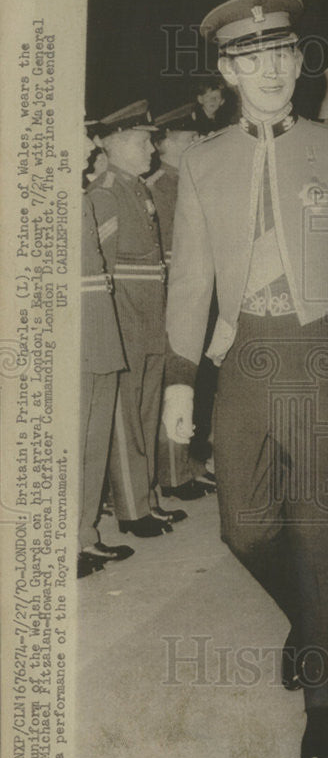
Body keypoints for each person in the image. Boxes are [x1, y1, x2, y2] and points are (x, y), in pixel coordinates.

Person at [162, 0, 328, 758]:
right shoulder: (202, 162)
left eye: (281, 54)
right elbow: (191, 280)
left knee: (320, 527)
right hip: (245, 363)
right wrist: (175, 379)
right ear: (228, 71)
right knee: (245, 528)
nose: (268, 68)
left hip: (322, 353)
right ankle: (309, 612)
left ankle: (327, 694)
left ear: (298, 63)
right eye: (250, 58)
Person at [88, 101, 185, 538]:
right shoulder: (106, 193)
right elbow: (103, 270)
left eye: (149, 140)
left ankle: (146, 498)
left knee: (147, 413)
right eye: (142, 140)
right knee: (126, 419)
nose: (151, 148)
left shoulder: (138, 189)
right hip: (126, 320)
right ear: (114, 144)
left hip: (150, 319)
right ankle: (131, 510)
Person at [147, 104, 216, 501]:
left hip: (193, 297)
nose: (197, 144)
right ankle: (174, 473)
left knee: (196, 385)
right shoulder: (160, 186)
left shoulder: (184, 181)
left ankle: (187, 464)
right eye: (190, 139)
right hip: (173, 300)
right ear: (165, 143)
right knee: (175, 383)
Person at [78, 130, 135, 577]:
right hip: (79, 333)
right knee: (74, 442)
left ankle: (84, 535)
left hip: (98, 329)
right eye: (79, 133)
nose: (88, 142)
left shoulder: (77, 195)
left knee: (92, 441)